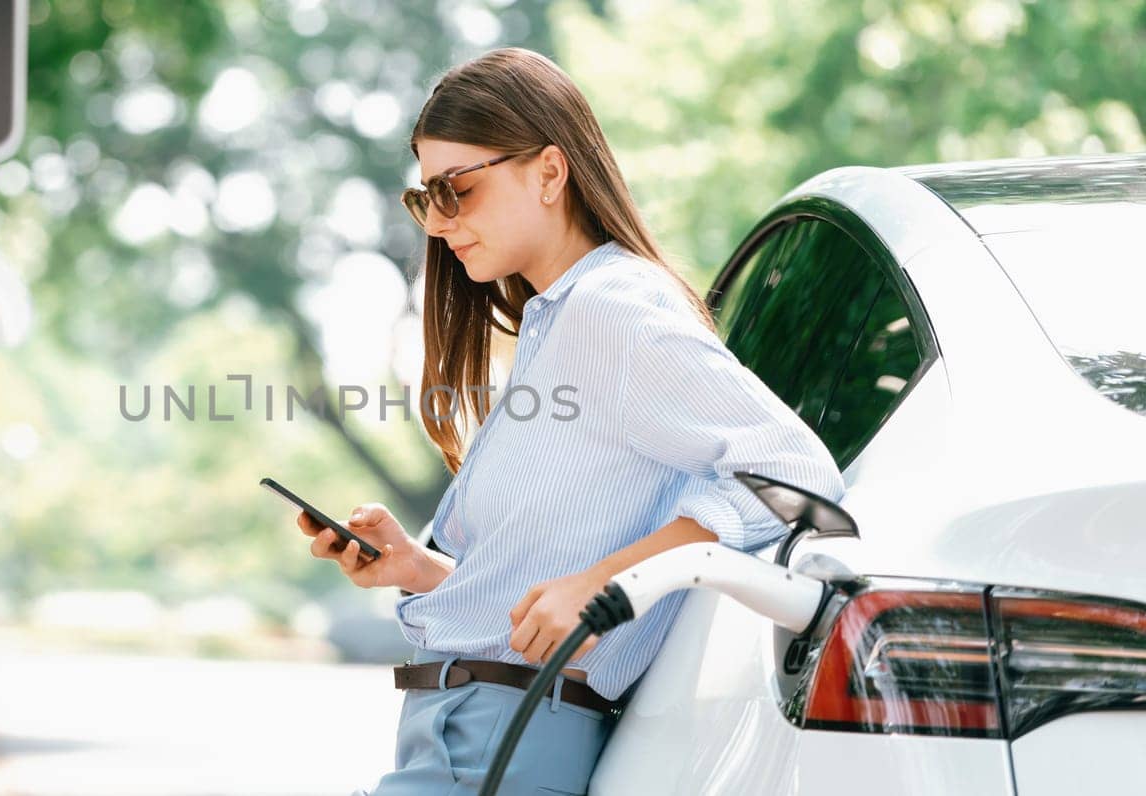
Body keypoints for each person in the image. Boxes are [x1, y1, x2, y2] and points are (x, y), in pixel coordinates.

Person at [297, 47, 846, 796]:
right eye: (426, 198)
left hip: (505, 739)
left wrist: (604, 582)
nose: (439, 223)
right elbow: (536, 590)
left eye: (456, 190)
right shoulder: (556, 324)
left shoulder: (609, 307)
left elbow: (792, 471)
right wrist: (418, 569)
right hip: (465, 734)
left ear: (550, 173)